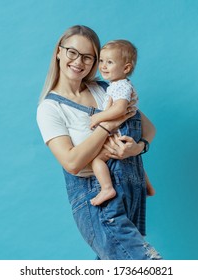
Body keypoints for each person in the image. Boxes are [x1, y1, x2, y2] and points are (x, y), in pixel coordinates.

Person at [37, 25, 162, 260]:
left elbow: (149, 128)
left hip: (129, 188)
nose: (78, 62)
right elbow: (72, 163)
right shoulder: (50, 108)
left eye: (87, 57)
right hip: (95, 195)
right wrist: (106, 126)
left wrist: (137, 148)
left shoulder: (107, 88)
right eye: (72, 52)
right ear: (59, 52)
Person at [89, 39, 156, 206]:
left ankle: (106, 188)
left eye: (109, 62)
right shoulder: (117, 85)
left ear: (126, 68)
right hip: (129, 127)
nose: (103, 66)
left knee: (97, 160)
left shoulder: (120, 86)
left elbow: (119, 110)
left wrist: (99, 117)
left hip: (123, 128)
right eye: (102, 61)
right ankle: (147, 186)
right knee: (132, 158)